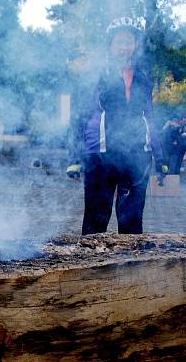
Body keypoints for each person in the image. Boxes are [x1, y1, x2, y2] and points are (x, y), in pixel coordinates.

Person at [66, 17, 166, 234]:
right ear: (110, 45)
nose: (124, 47)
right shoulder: (96, 76)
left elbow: (149, 116)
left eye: (129, 42)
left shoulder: (143, 77)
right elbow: (80, 117)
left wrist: (160, 156)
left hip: (136, 155)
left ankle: (130, 265)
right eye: (119, 42)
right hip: (100, 155)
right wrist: (74, 158)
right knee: (95, 220)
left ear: (135, 45)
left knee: (132, 221)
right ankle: (91, 265)